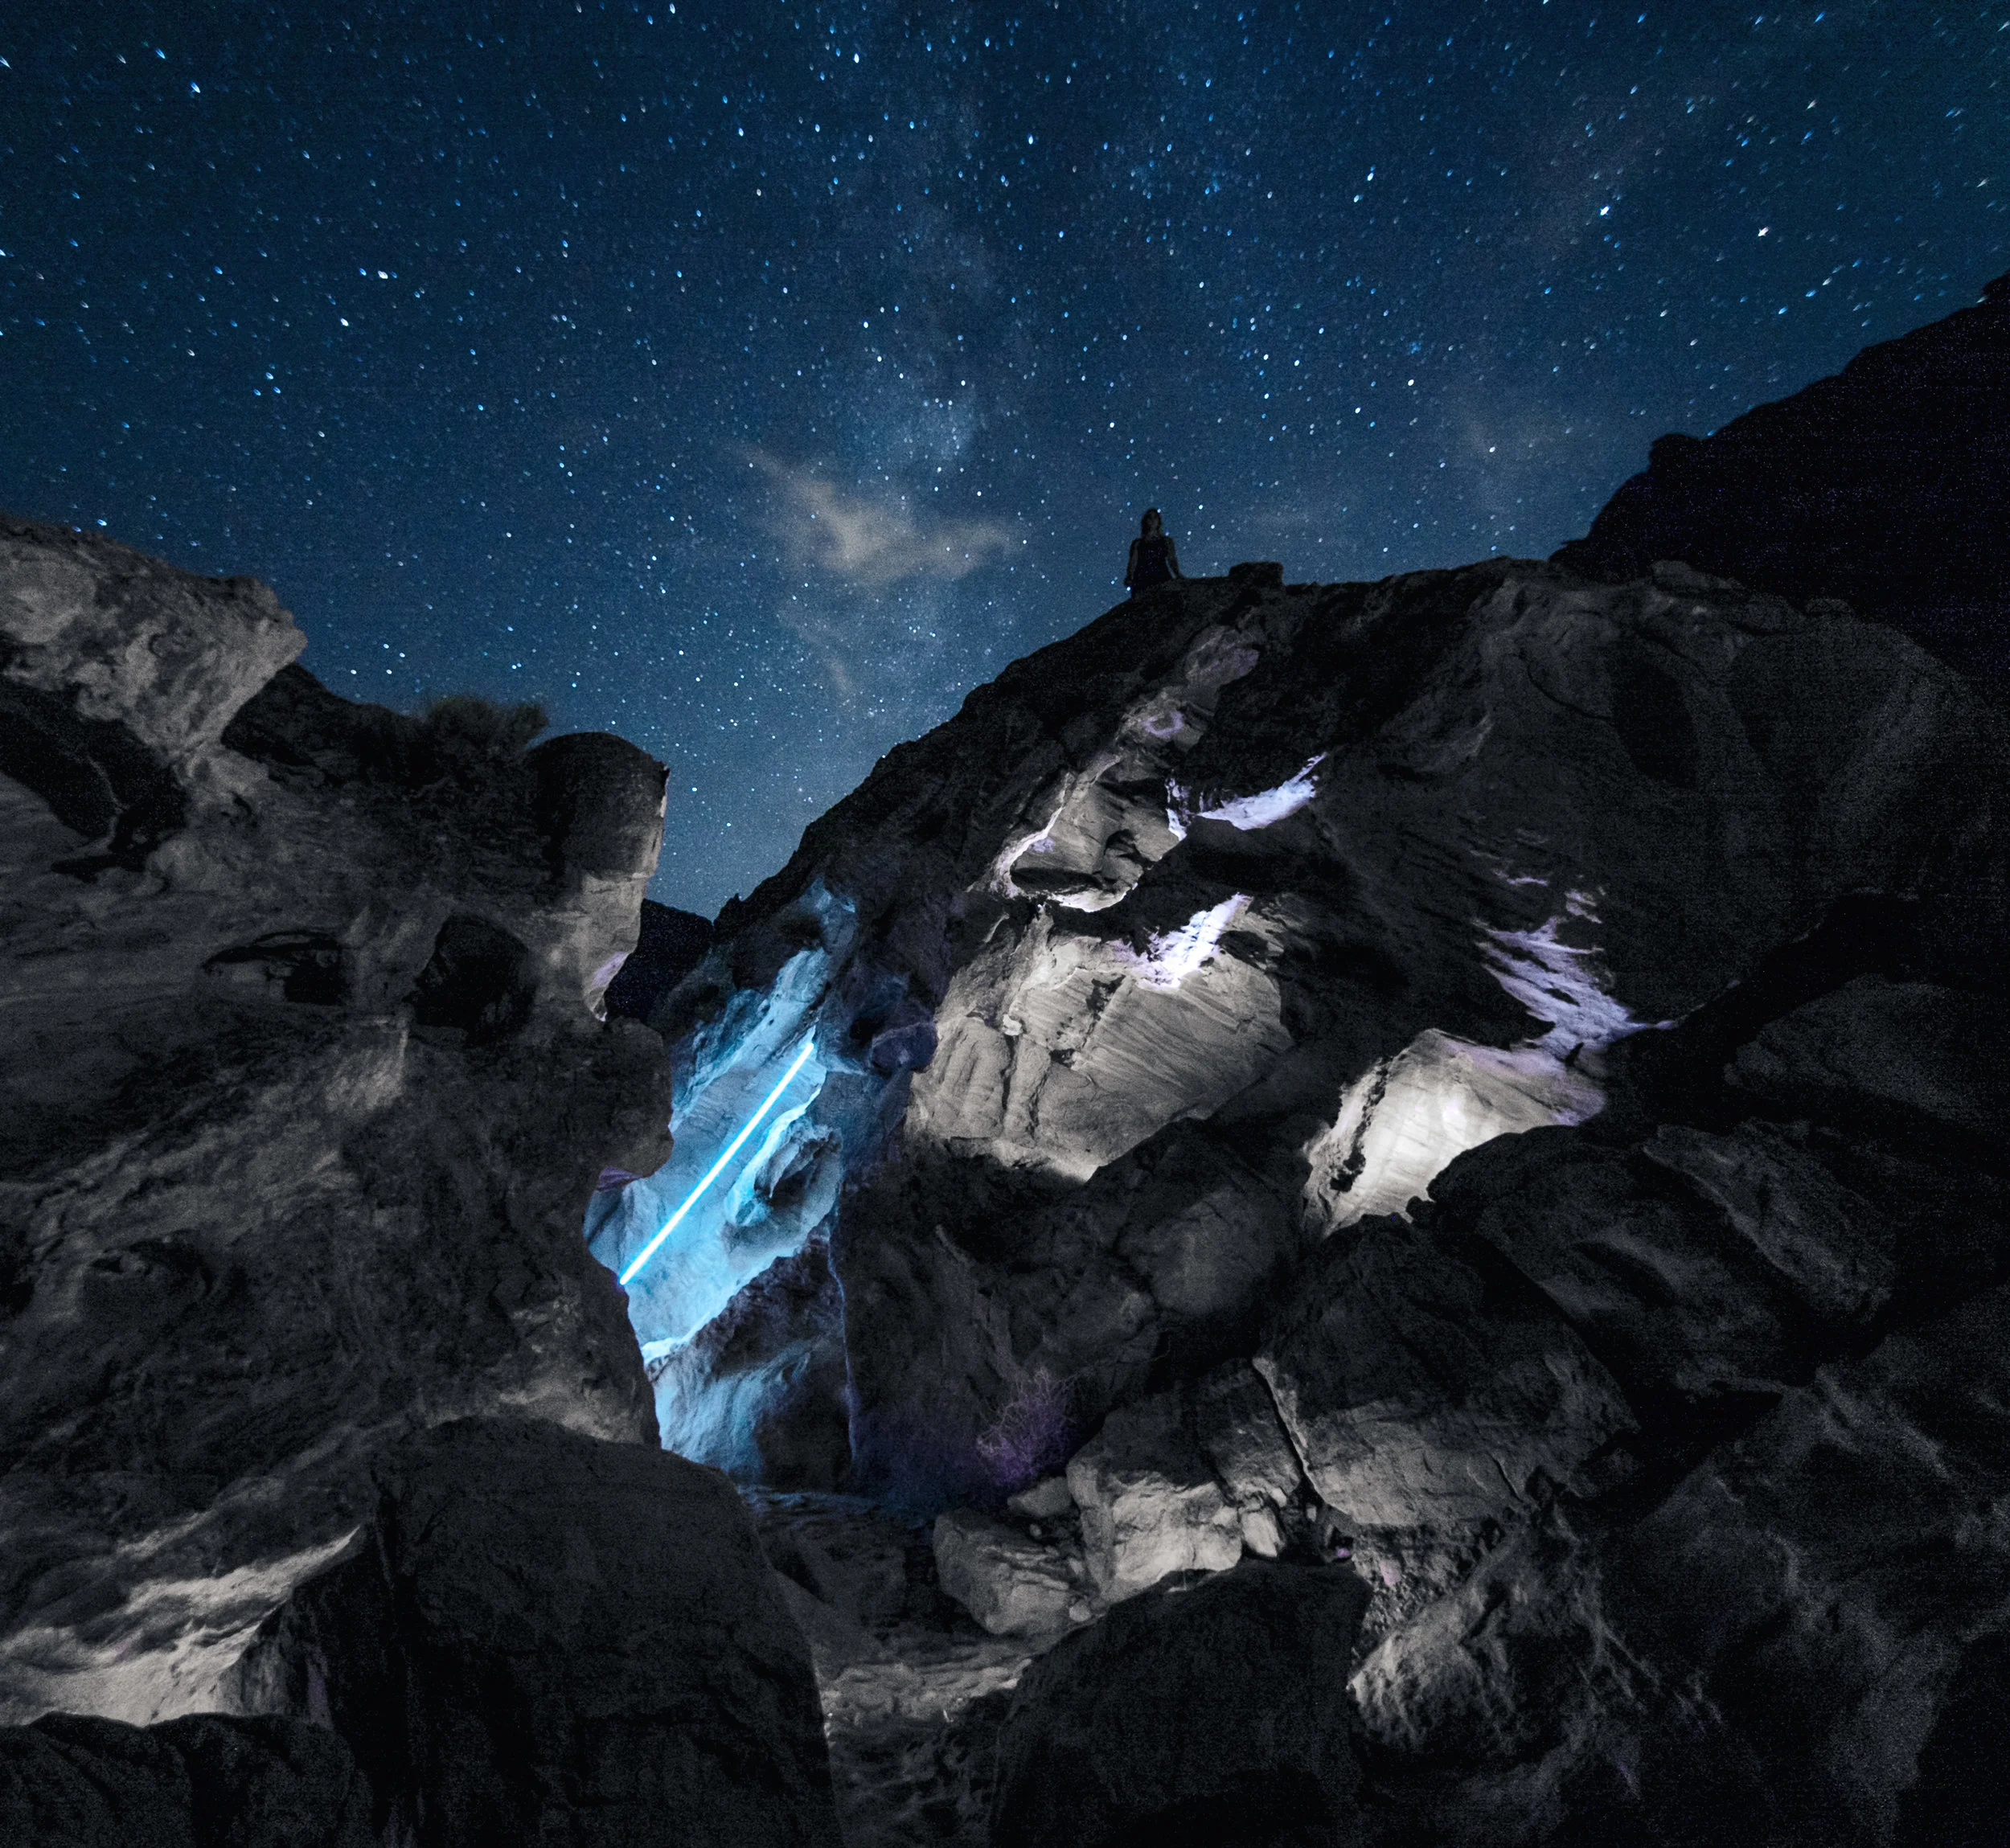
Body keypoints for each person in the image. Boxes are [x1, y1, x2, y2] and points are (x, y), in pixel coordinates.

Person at [1123, 507, 1183, 596]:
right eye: (1150, 518)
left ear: (1159, 521)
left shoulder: (1167, 541)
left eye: (1155, 518)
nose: (1152, 521)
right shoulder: (1138, 543)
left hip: (1161, 575)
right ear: (1146, 521)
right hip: (1142, 579)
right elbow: (1133, 562)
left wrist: (1178, 574)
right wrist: (1129, 576)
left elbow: (1172, 559)